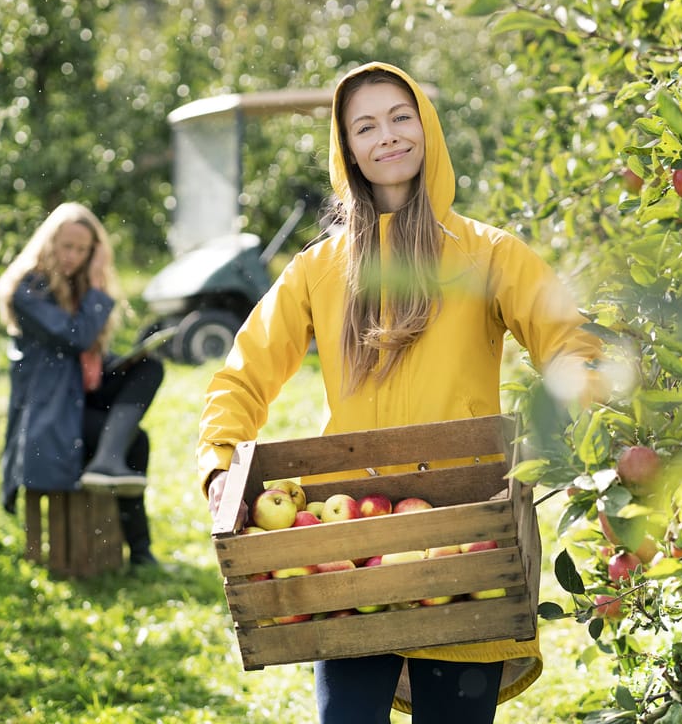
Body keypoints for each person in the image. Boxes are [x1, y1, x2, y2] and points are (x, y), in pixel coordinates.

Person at [198, 62, 603, 723]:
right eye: (365, 126)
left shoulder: (489, 255)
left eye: (399, 117)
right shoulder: (321, 270)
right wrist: (221, 463)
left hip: (466, 535)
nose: (386, 136)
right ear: (347, 150)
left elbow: (572, 346)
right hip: (352, 541)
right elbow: (243, 373)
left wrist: (565, 421)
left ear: (426, 127)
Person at [0, 201, 165, 568]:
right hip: (51, 413)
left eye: (82, 249)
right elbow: (75, 337)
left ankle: (137, 546)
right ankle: (139, 551)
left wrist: (122, 361)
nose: (72, 256)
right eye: (66, 246)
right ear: (49, 242)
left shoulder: (78, 287)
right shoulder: (27, 290)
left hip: (78, 397)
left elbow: (84, 355)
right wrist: (100, 286)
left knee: (150, 367)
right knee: (138, 440)